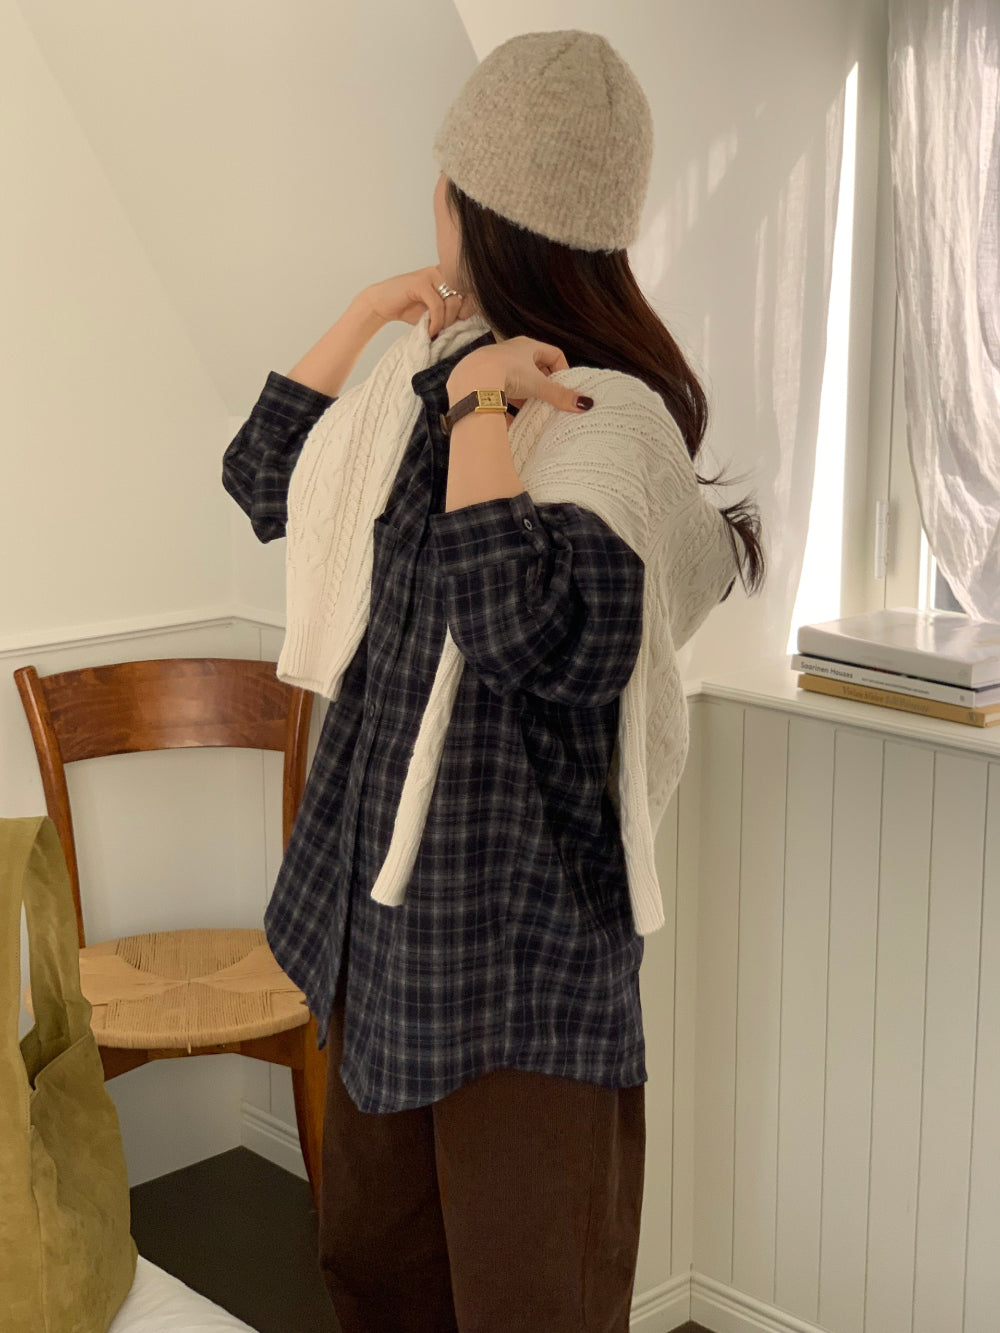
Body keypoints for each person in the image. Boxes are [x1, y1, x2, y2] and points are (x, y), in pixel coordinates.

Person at [223, 28, 764, 1333]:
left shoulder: (609, 421)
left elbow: (522, 626)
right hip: (380, 933)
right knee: (375, 1277)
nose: (435, 201)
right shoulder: (424, 381)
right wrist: (372, 315)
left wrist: (478, 411)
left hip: (522, 960)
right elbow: (263, 478)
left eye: (449, 181)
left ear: (491, 213)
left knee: (532, 1306)